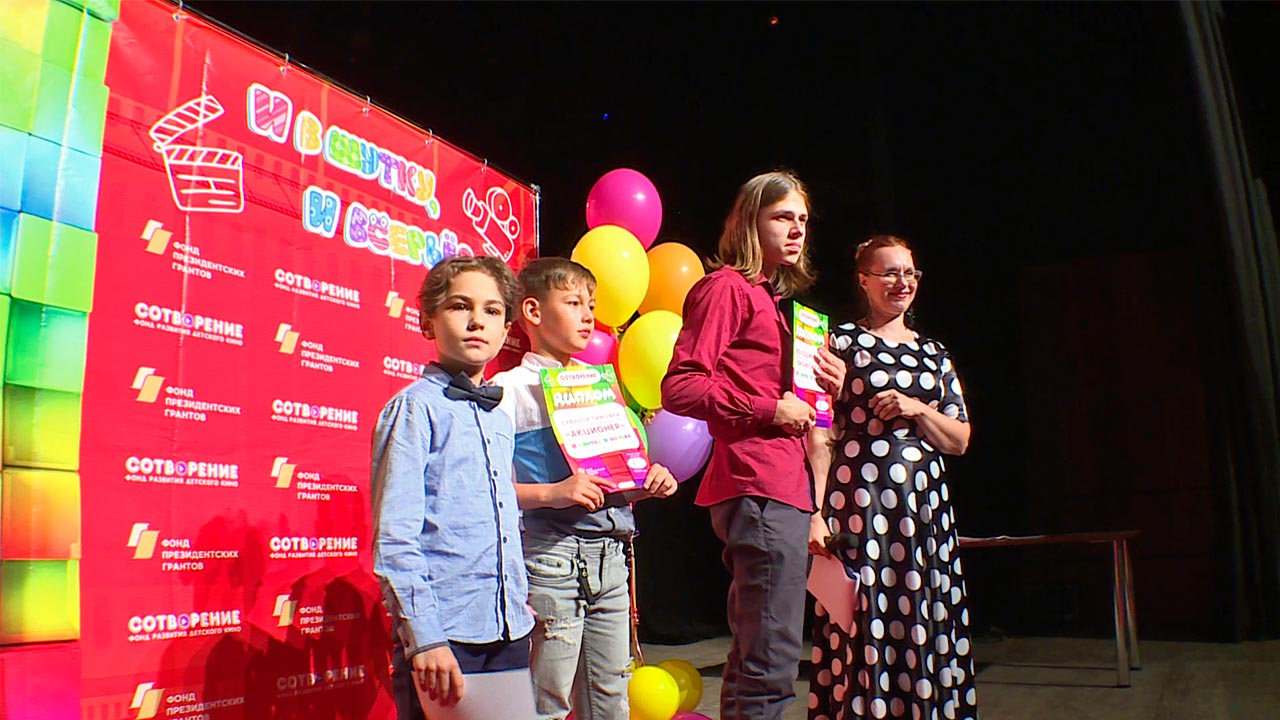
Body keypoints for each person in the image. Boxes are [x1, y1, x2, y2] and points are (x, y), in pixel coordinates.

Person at [661, 170, 845, 720]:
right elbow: (681, 386)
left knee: (756, 651)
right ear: (749, 222)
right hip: (757, 480)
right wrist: (771, 408)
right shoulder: (727, 288)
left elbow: (792, 401)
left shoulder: (771, 300)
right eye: (782, 217)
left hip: (781, 483)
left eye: (803, 220)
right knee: (772, 655)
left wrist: (823, 387)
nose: (797, 230)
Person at [491, 257, 678, 720]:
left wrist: (648, 482)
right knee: (548, 700)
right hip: (551, 557)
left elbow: (612, 481)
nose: (588, 316)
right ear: (533, 311)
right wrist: (553, 493)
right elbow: (487, 489)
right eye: (573, 303)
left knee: (610, 696)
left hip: (611, 557)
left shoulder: (600, 387)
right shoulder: (509, 390)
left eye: (591, 305)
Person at [807, 235, 977, 720]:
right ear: (863, 281)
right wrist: (815, 512)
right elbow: (820, 432)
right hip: (862, 504)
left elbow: (960, 438)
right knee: (864, 613)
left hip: (922, 512)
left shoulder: (934, 354)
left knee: (922, 609)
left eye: (909, 273)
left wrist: (916, 407)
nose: (903, 282)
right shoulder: (839, 343)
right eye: (890, 273)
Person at [370, 256, 534, 719]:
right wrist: (425, 637)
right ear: (428, 321)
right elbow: (395, 537)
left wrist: (521, 606)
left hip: (508, 629)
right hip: (446, 634)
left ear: (506, 328)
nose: (477, 320)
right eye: (461, 306)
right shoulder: (413, 410)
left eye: (492, 310)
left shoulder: (499, 419)